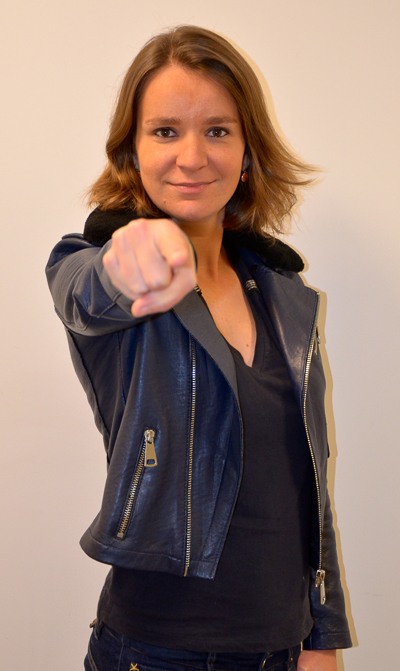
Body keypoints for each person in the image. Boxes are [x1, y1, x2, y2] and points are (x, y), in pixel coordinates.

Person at [46, 25, 352, 671]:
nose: (191, 156)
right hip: (155, 648)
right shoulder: (96, 265)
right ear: (131, 152)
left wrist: (322, 633)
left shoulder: (286, 296)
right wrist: (128, 257)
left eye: (217, 130)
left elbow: (309, 485)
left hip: (281, 647)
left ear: (247, 152)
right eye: (165, 131)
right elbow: (86, 294)